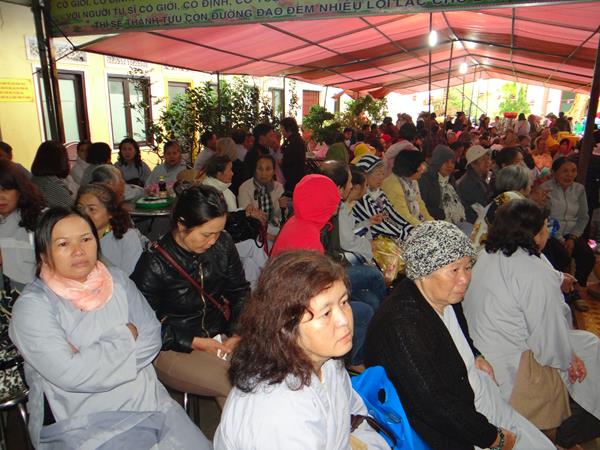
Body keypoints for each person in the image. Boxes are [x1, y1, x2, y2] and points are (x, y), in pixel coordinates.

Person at [9, 207, 210, 449]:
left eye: (86, 239)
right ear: (43, 254)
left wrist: (87, 358)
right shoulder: (33, 306)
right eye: (63, 244)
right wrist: (125, 337)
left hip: (149, 403)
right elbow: (71, 375)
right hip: (83, 423)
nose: (78, 251)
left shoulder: (116, 280)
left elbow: (151, 338)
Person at [365, 220, 554, 450]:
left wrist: (475, 354)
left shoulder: (444, 295)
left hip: (475, 395)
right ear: (423, 272)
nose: (465, 278)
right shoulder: (402, 327)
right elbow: (437, 406)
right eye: (454, 270)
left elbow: (460, 329)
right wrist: (494, 439)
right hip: (455, 430)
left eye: (468, 267)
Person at [214, 251, 390, 449]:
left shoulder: (328, 361)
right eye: (326, 313)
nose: (344, 320)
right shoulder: (278, 414)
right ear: (285, 326)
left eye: (344, 302)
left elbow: (354, 416)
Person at [463, 200, 600, 449]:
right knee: (584, 367)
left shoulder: (486, 255)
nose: (547, 232)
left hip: (479, 349)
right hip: (509, 368)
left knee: (586, 345)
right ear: (534, 234)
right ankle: (560, 438)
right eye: (545, 227)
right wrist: (569, 359)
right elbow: (549, 344)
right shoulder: (532, 270)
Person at [131, 185, 250, 408]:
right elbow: (143, 325)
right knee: (236, 384)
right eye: (207, 234)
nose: (213, 241)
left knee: (261, 377)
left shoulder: (223, 244)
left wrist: (237, 332)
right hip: (170, 348)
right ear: (182, 223)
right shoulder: (154, 262)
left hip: (219, 336)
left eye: (218, 232)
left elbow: (239, 291)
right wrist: (194, 342)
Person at [202, 155, 268, 287]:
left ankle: (259, 292)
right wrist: (245, 213)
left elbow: (232, 214)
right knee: (253, 246)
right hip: (214, 245)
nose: (233, 173)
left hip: (226, 240)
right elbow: (223, 219)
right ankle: (273, 276)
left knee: (249, 264)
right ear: (219, 174)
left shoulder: (223, 190)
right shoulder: (209, 193)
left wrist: (247, 211)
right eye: (230, 170)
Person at [541, 157, 595, 292]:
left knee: (588, 256)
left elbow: (583, 217)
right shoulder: (546, 189)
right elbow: (546, 218)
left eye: (573, 171)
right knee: (561, 257)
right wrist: (561, 239)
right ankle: (557, 289)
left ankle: (578, 287)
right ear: (554, 172)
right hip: (551, 234)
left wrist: (572, 237)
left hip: (572, 233)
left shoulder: (579, 189)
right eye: (564, 171)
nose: (569, 175)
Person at [76, 183, 147, 275]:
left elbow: (130, 277)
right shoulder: (73, 239)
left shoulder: (127, 237)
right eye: (80, 208)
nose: (84, 214)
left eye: (92, 209)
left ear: (110, 213)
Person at [0, 160, 45, 290]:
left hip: (34, 292)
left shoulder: (41, 219)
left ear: (20, 190)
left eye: (5, 189)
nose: (0, 197)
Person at [471, 164, 532, 252]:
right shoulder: (515, 202)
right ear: (522, 187)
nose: (531, 187)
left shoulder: (500, 200)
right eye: (530, 184)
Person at [352, 155, 413, 241]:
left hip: (389, 235)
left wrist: (410, 229)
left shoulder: (378, 192)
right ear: (364, 176)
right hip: (370, 241)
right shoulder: (360, 197)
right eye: (378, 174)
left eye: (383, 174)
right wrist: (405, 236)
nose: (381, 177)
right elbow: (378, 225)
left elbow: (392, 213)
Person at [237, 154, 286, 240]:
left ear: (274, 171)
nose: (263, 173)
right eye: (260, 169)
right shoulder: (245, 188)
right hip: (254, 233)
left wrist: (283, 208)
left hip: (274, 228)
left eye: (268, 169)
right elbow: (246, 220)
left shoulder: (278, 187)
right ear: (255, 170)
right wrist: (268, 236)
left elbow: (281, 217)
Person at [419, 144, 466, 226]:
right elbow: (421, 207)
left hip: (458, 223)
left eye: (452, 162)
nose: (450, 165)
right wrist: (442, 213)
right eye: (446, 162)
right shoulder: (425, 180)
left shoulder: (450, 179)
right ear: (438, 161)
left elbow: (460, 201)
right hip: (436, 225)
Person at [382, 149, 432, 226]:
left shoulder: (412, 181)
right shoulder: (392, 185)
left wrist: (433, 224)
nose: (423, 168)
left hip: (415, 225)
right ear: (411, 166)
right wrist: (424, 229)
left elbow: (421, 206)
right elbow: (403, 216)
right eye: (420, 165)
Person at [31, 141, 73, 208]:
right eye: (66, 157)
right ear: (60, 160)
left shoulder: (35, 179)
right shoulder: (51, 185)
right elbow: (71, 210)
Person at [456, 145, 492, 224]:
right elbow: (483, 208)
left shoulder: (478, 177)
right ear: (473, 164)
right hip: (473, 224)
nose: (488, 162)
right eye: (483, 160)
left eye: (488, 158)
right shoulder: (469, 183)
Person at [280, 117, 306, 194]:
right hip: (293, 176)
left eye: (282, 128)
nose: (281, 130)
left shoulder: (295, 141)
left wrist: (281, 161)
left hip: (294, 177)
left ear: (288, 128)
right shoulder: (292, 139)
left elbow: (290, 159)